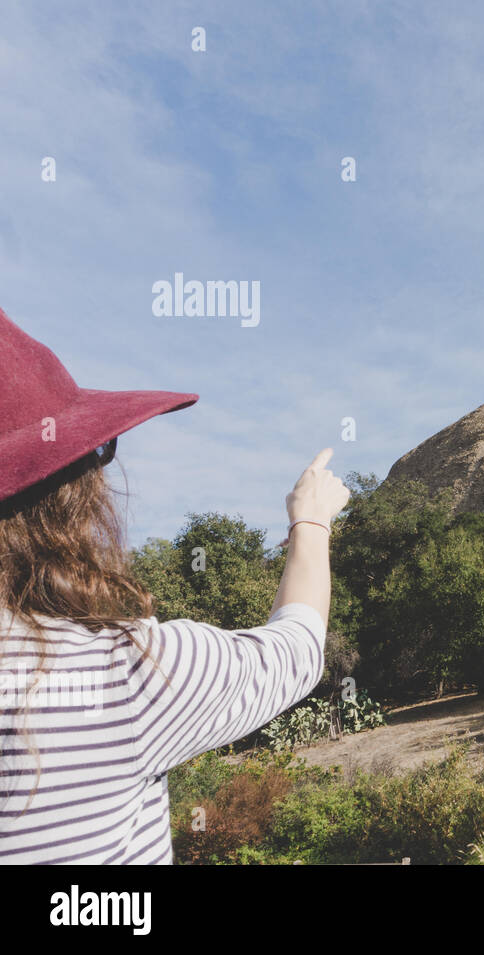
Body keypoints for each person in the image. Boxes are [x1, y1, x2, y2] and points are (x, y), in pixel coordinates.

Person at [0, 307, 349, 864]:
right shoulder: (124, 671)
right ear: (62, 493)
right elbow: (296, 650)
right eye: (95, 452)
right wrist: (311, 519)